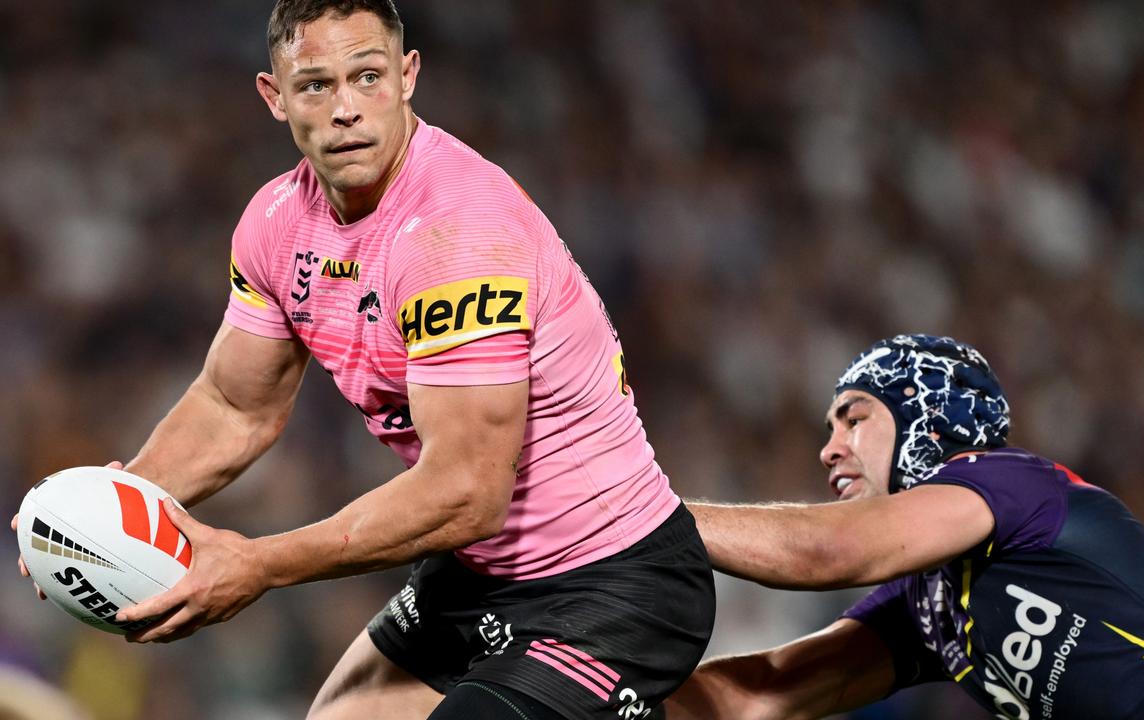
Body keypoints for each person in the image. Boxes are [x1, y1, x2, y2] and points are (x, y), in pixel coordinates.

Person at [11, 1, 714, 718]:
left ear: (408, 76)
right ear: (274, 96)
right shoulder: (276, 222)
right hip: (476, 574)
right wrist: (104, 514)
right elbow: (235, 406)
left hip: (613, 583)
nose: (346, 108)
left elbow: (469, 490)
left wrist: (259, 565)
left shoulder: (458, 233)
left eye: (367, 76)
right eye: (316, 84)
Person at [666, 334, 1144, 720]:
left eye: (853, 418)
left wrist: (641, 515)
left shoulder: (1007, 480)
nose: (829, 449)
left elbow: (828, 551)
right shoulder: (926, 605)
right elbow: (762, 694)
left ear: (924, 413)